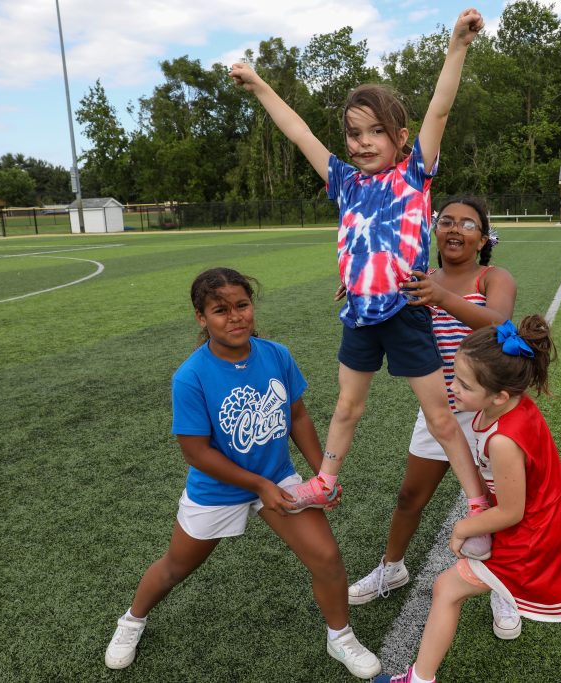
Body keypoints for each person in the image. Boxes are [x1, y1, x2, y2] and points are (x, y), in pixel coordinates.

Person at [229, 9, 490, 536]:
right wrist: (259, 85)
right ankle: (326, 480)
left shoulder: (415, 172)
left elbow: (439, 110)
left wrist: (457, 47)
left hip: (407, 311)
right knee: (347, 406)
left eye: (375, 132)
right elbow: (298, 131)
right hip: (359, 313)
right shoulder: (345, 183)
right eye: (353, 134)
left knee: (440, 418)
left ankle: (478, 500)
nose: (362, 143)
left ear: (399, 136)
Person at [103, 268, 382, 678]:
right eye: (220, 310)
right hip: (218, 489)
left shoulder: (276, 354)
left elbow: (298, 416)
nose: (234, 317)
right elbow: (195, 452)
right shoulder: (191, 376)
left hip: (276, 475)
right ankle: (131, 620)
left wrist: (323, 475)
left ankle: (340, 638)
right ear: (201, 317)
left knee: (326, 558)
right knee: (175, 567)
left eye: (242, 306)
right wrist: (257, 485)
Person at [374, 317, 561, 683]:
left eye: (464, 385)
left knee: (446, 589)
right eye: (454, 376)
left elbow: (512, 512)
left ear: (499, 395)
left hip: (535, 537)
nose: (452, 388)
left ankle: (419, 680)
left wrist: (465, 526)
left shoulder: (502, 440)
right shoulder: (513, 406)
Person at [348, 196, 521, 639]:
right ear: (434, 230)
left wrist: (441, 297)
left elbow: (498, 325)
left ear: (483, 238)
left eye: (468, 224)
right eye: (446, 221)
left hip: (489, 417)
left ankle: (502, 584)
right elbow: (377, 305)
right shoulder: (417, 279)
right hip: (439, 413)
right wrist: (359, 288)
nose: (455, 229)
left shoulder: (493, 277)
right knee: (409, 497)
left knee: (497, 507)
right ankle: (392, 568)